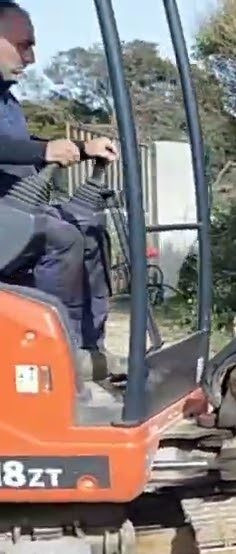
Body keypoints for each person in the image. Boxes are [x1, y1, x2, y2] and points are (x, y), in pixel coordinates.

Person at [0, 1, 123, 380]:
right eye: (23, 44)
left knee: (87, 227)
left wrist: (83, 150)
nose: (31, 57)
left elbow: (12, 146)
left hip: (13, 215)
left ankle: (88, 349)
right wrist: (42, 150)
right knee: (61, 235)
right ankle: (56, 355)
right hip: (9, 218)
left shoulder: (7, 100)